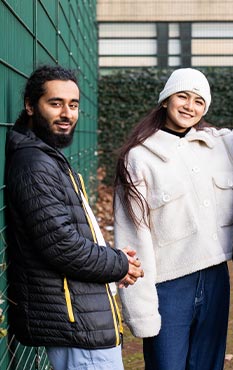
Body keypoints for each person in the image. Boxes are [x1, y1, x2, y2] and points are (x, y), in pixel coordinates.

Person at [114, 67, 233, 370]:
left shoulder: (219, 145)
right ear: (165, 100)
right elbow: (132, 236)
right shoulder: (139, 157)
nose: (190, 106)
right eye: (183, 96)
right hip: (167, 284)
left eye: (199, 101)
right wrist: (142, 310)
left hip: (215, 277)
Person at [5, 65, 144, 370]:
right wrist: (118, 264)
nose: (67, 113)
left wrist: (115, 259)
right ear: (31, 105)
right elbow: (62, 245)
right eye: (55, 104)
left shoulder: (47, 155)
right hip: (75, 323)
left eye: (73, 104)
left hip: (80, 314)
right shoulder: (34, 163)